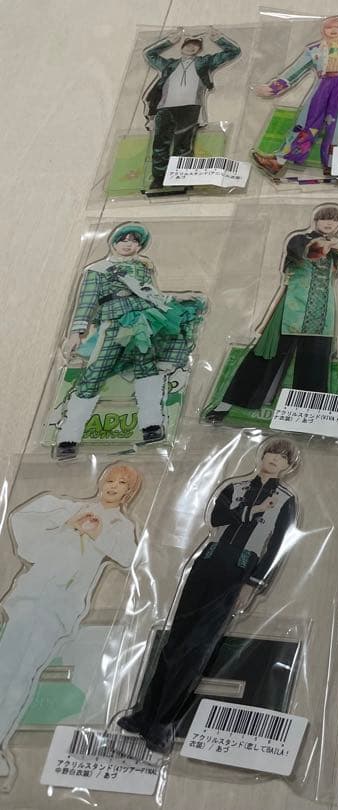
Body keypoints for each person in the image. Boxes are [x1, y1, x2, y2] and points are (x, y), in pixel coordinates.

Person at [117, 438, 299, 753]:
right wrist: (254, 510)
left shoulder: (285, 500)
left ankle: (162, 722)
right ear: (261, 455)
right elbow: (216, 518)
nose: (274, 459)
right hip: (209, 559)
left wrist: (253, 584)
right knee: (175, 641)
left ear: (288, 466)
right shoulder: (235, 487)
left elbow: (277, 546)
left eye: (282, 457)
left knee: (198, 647)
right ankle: (145, 713)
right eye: (271, 452)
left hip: (240, 566)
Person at [0, 464, 142, 780]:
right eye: (109, 479)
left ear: (129, 492)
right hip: (32, 595)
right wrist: (67, 523)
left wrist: (98, 533)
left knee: (25, 672)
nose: (112, 486)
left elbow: (130, 557)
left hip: (61, 606)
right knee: (6, 664)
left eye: (121, 483)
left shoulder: (119, 525)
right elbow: (22, 524)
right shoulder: (68, 507)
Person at [57, 223, 205, 461]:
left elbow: (152, 294)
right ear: (114, 242)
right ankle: (68, 437)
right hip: (113, 322)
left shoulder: (142, 268)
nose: (128, 244)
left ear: (139, 246)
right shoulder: (97, 270)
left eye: (134, 241)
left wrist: (178, 298)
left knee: (146, 368)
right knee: (96, 371)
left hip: (143, 322)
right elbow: (86, 302)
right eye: (123, 240)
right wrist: (76, 332)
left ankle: (152, 425)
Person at [206, 205, 338, 422]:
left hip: (321, 313)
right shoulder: (299, 239)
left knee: (315, 362)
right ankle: (225, 405)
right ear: (316, 220)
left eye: (335, 220)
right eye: (324, 218)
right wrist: (328, 245)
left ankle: (309, 416)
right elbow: (308, 252)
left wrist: (336, 244)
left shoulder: (336, 247)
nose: (329, 223)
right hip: (291, 308)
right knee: (265, 355)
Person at [251, 15, 338, 178]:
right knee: (306, 119)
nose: (333, 30)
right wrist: (274, 87)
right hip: (323, 83)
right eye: (328, 27)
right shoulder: (314, 48)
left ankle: (335, 165)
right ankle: (280, 161)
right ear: (322, 30)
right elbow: (296, 70)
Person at [141, 28, 241, 193]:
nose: (191, 47)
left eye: (195, 46)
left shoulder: (204, 62)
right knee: (160, 145)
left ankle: (180, 179)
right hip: (165, 108)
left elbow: (233, 51)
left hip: (190, 108)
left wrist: (218, 38)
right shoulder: (168, 64)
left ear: (199, 50)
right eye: (188, 44)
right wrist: (169, 41)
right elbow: (149, 54)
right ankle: (158, 179)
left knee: (183, 146)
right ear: (182, 46)